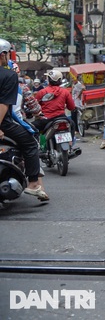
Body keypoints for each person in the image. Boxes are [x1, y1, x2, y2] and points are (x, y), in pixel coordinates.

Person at [0, 38, 49, 201]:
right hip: (5, 124)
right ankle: (34, 184)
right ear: (3, 55)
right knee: (30, 143)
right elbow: (4, 105)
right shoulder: (9, 76)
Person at [33, 70, 78, 143]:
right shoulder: (65, 92)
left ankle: (36, 146)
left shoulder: (42, 92)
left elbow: (34, 106)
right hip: (62, 117)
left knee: (31, 127)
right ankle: (70, 144)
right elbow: (71, 107)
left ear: (49, 80)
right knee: (72, 124)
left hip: (46, 119)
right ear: (60, 80)